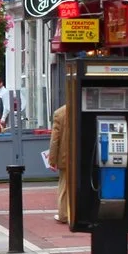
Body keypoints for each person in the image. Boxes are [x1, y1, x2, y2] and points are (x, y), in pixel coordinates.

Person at [50, 96, 77, 227]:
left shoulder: (59, 113)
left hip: (65, 157)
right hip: (81, 156)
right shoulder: (81, 110)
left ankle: (63, 214)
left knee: (64, 186)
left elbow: (55, 139)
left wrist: (52, 160)